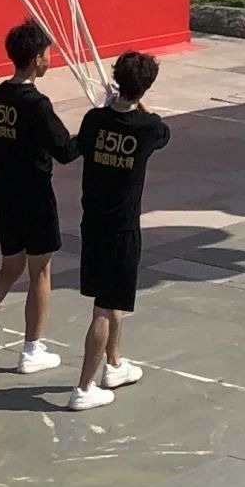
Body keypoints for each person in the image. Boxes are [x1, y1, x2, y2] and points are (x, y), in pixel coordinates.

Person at [0, 18, 82, 375]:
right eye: (47, 53)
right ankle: (31, 349)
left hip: (3, 195)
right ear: (37, 58)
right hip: (35, 196)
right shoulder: (36, 103)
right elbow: (66, 150)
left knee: (9, 268)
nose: (50, 58)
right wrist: (95, 125)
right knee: (40, 272)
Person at [63, 49, 171, 411]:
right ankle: (83, 387)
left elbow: (80, 143)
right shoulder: (148, 128)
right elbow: (162, 131)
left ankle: (114, 364)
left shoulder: (94, 120)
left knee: (113, 299)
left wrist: (112, 106)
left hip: (91, 223)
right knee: (104, 307)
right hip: (122, 228)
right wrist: (133, 104)